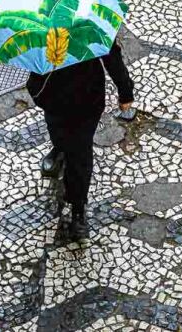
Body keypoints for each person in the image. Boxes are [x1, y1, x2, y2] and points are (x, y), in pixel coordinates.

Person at [27, 39, 135, 240]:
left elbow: (111, 54)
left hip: (86, 99)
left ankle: (78, 207)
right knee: (59, 134)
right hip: (54, 97)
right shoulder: (39, 29)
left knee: (80, 153)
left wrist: (125, 91)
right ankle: (60, 149)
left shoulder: (88, 25)